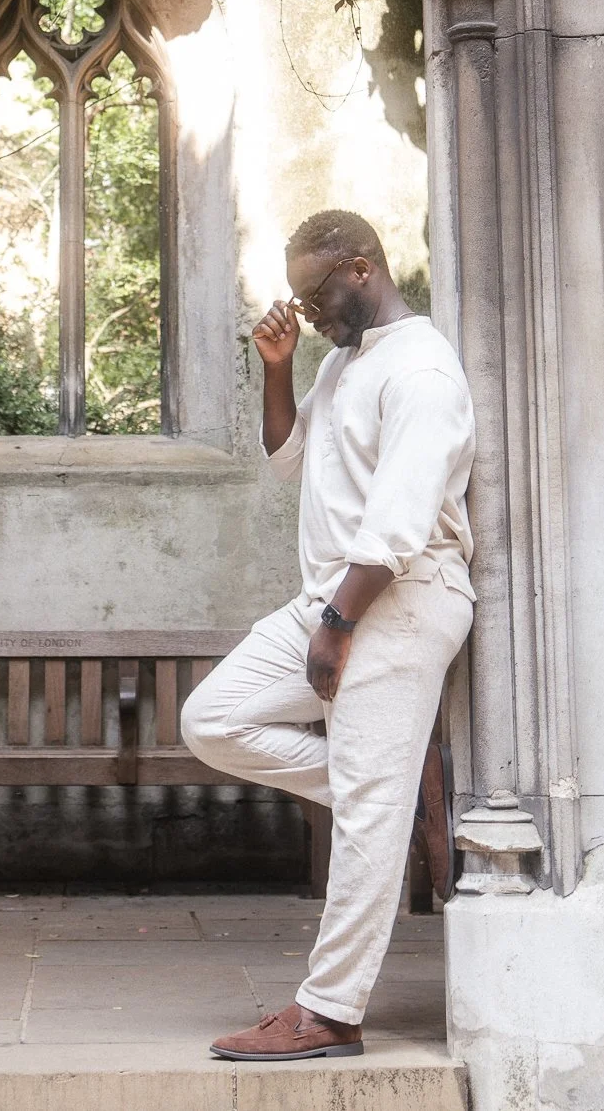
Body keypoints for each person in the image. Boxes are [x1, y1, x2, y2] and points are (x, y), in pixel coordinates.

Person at [181, 209, 475, 1062]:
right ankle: (393, 803)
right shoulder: (348, 360)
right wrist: (281, 368)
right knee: (214, 719)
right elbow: (288, 456)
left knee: (366, 816)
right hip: (330, 597)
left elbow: (398, 521)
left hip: (396, 599)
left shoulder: (421, 370)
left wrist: (339, 625)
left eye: (315, 296)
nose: (305, 313)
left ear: (360, 269)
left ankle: (330, 1012)